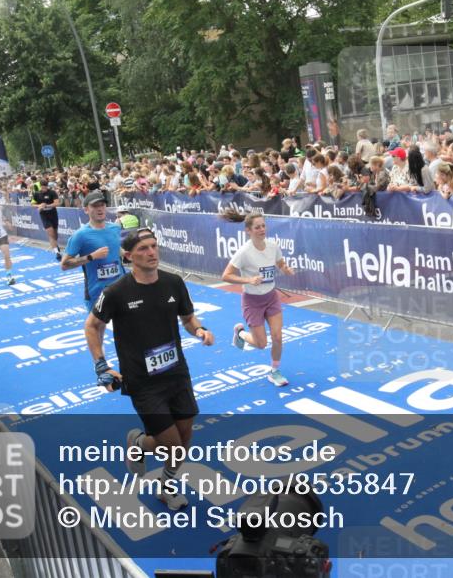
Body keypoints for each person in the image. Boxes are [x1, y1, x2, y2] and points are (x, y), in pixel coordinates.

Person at [86, 230, 214, 511]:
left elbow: (188, 317)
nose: (152, 252)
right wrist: (101, 365)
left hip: (177, 373)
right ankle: (145, 450)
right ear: (129, 256)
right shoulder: (116, 292)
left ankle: (153, 465)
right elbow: (92, 326)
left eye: (154, 246)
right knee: (173, 446)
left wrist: (200, 330)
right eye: (143, 248)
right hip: (143, 382)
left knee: (184, 439)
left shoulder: (173, 282)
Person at [221, 213, 296, 387]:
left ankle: (275, 371)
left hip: (271, 297)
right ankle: (239, 333)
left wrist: (286, 269)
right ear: (248, 231)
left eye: (263, 226)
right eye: (257, 227)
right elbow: (226, 275)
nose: (262, 229)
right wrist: (248, 280)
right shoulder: (244, 252)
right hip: (252, 301)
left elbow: (280, 263)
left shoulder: (273, 246)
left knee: (277, 337)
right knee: (261, 344)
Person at [62, 191, 125, 310]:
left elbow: (115, 249)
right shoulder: (80, 235)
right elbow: (64, 265)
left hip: (121, 287)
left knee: (127, 327)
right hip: (96, 291)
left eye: (102, 205)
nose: (100, 209)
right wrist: (91, 256)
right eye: (95, 206)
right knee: (95, 328)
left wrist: (125, 253)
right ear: (86, 210)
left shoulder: (115, 228)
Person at [33, 181, 62, 260]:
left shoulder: (52, 192)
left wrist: (47, 205)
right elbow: (32, 204)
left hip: (53, 214)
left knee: (55, 234)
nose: (44, 188)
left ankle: (55, 245)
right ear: (40, 187)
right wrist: (39, 205)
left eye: (45, 186)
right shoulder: (36, 194)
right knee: (50, 233)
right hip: (44, 215)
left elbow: (57, 203)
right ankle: (57, 252)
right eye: (42, 187)